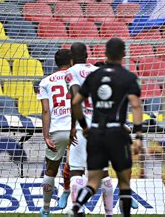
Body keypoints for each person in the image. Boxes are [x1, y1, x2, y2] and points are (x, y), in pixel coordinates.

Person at [70, 38, 143, 217]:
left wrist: (84, 127)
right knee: (124, 181)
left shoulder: (94, 76)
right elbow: (135, 105)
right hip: (117, 132)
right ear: (124, 54)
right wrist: (139, 135)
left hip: (95, 132)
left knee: (93, 182)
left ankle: (76, 207)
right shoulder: (128, 77)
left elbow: (75, 103)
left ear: (106, 54)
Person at [65, 42, 114, 216]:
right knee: (103, 173)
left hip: (83, 125)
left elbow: (76, 99)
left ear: (71, 57)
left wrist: (74, 126)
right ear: (87, 54)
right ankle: (110, 213)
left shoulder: (70, 73)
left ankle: (79, 211)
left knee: (77, 170)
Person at [38, 49, 72, 217]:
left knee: (50, 170)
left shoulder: (45, 82)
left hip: (57, 130)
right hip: (76, 128)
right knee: (79, 169)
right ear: (71, 61)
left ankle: (45, 209)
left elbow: (45, 111)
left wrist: (46, 135)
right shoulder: (77, 77)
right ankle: (76, 208)